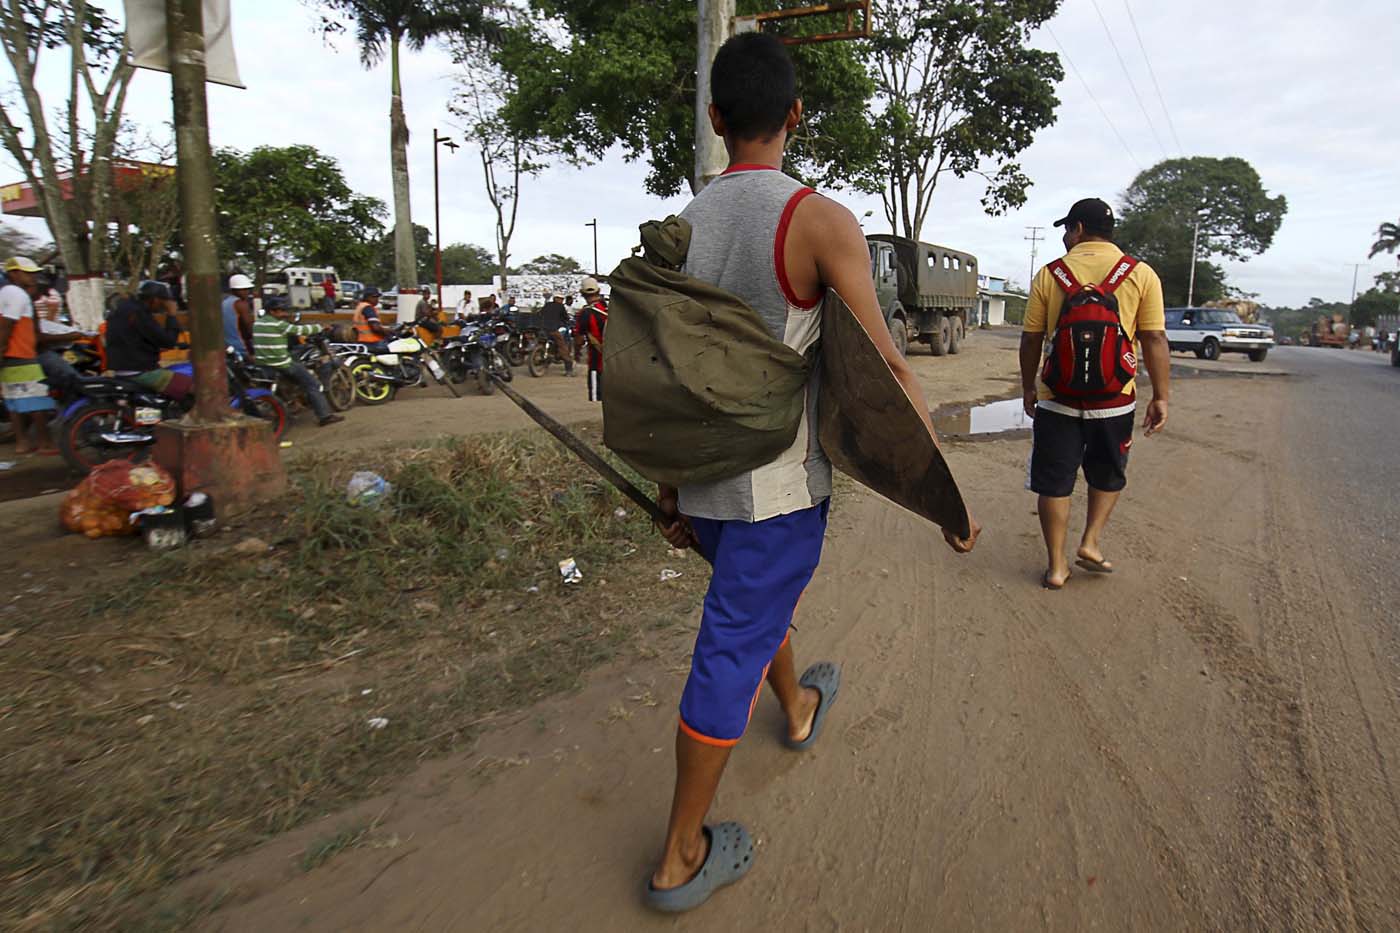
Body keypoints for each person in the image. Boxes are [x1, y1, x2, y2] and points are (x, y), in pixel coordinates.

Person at [643, 34, 978, 913]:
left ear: (716, 120)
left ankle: (793, 707)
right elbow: (885, 363)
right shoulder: (820, 221)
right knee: (729, 644)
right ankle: (681, 854)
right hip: (778, 493)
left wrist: (674, 490)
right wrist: (942, 488)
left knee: (747, 608)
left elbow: (666, 378)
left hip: (706, 486)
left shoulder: (678, 227)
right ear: (796, 115)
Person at [1019, 197, 1170, 589]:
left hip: (1058, 399)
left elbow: (1031, 338)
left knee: (1054, 481)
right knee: (1107, 473)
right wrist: (1161, 396)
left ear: (1079, 229)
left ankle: (1056, 567)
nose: (1066, 238)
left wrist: (1028, 387)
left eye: (1067, 230)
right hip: (1115, 400)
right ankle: (1090, 542)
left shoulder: (1050, 274)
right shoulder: (1141, 274)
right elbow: (1153, 337)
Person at [0, 256, 61, 453]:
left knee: (14, 402)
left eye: (34, 273)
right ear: (13, 274)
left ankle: (22, 443)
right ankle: (45, 443)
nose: (32, 277)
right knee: (38, 402)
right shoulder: (18, 294)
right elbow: (7, 326)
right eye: (28, 273)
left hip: (9, 358)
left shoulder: (4, 293)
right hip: (22, 355)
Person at [252, 296, 344, 427]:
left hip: (263, 364)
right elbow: (300, 330)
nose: (285, 314)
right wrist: (322, 327)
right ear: (272, 311)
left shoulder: (257, 323)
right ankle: (325, 416)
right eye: (282, 311)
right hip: (281, 363)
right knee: (313, 384)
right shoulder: (279, 325)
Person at [105, 280, 192, 399]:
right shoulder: (139, 313)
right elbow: (168, 341)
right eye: (163, 302)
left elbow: (137, 339)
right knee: (196, 386)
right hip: (140, 371)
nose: (163, 306)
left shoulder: (124, 308)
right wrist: (172, 314)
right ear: (155, 299)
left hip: (121, 369)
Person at [576, 277, 606, 401]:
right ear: (598, 290)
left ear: (582, 293)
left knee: (597, 398)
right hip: (618, 363)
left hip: (597, 362)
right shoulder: (610, 306)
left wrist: (576, 352)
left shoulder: (585, 313)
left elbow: (578, 339)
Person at [538, 293, 574, 375]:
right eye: (561, 299)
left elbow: (540, 313)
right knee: (563, 347)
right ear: (557, 299)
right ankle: (569, 369)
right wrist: (568, 320)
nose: (561, 301)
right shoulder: (560, 306)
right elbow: (565, 317)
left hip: (542, 329)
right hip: (553, 329)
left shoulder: (547, 305)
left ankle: (546, 361)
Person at [223, 274, 255, 356]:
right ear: (233, 290)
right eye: (242, 290)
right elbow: (250, 328)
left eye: (247, 289)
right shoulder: (241, 304)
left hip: (227, 346)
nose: (246, 292)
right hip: (241, 348)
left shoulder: (225, 302)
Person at [353, 286, 391, 352]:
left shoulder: (360, 306)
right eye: (375, 297)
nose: (377, 299)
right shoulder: (368, 308)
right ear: (368, 297)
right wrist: (389, 332)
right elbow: (376, 328)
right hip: (373, 342)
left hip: (362, 341)